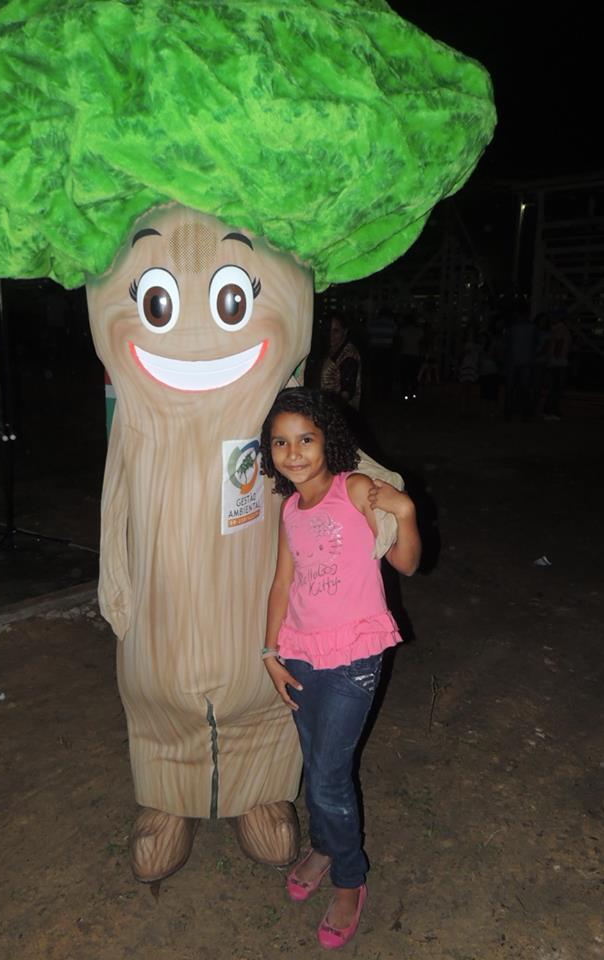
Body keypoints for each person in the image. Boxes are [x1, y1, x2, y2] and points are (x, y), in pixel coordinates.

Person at [259, 388, 421, 950]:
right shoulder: (289, 508)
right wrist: (269, 653)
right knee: (316, 762)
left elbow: (406, 561)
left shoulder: (353, 490)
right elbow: (284, 582)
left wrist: (404, 512)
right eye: (281, 442)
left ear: (329, 438)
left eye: (306, 438)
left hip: (354, 658)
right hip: (300, 652)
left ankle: (349, 877)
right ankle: (326, 846)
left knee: (329, 774)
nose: (294, 452)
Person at [324, 316, 362, 410]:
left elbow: (347, 392)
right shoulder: (334, 349)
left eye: (336, 331)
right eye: (329, 330)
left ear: (345, 332)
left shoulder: (348, 356)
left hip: (340, 411)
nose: (331, 335)